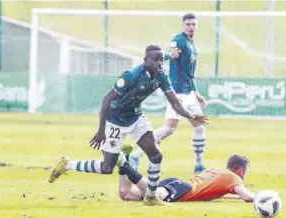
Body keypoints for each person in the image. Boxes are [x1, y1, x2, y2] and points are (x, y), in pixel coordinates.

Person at [48, 45, 208, 206]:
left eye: (161, 59)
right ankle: (67, 164)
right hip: (115, 120)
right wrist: (101, 130)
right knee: (106, 168)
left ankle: (151, 197)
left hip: (136, 117)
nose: (160, 63)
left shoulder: (161, 76)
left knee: (156, 155)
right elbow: (106, 100)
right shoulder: (131, 76)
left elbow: (174, 102)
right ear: (145, 60)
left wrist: (191, 115)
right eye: (155, 59)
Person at [130, 13, 207, 174]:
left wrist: (196, 91)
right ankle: (136, 155)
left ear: (197, 26)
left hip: (189, 93)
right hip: (178, 93)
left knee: (198, 126)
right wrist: (167, 55)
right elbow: (166, 53)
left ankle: (199, 165)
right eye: (188, 24)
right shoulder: (179, 40)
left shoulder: (191, 44)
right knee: (169, 128)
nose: (191, 27)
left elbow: (188, 72)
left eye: (193, 24)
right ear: (183, 26)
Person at [118, 146, 255, 203]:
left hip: (178, 184)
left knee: (126, 193)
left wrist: (235, 197)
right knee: (150, 194)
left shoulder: (217, 171)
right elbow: (247, 197)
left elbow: (219, 192)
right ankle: (125, 165)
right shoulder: (234, 178)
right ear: (240, 171)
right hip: (183, 190)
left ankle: (122, 166)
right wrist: (259, 197)